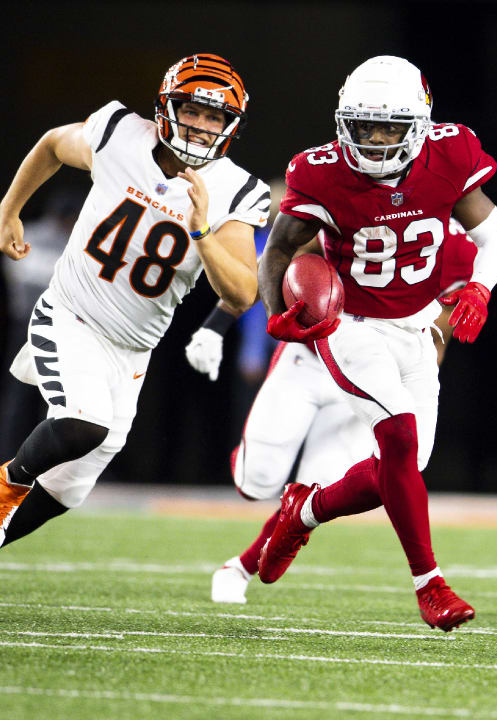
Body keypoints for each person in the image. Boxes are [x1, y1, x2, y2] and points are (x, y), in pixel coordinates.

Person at [0, 53, 268, 619]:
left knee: (70, 488)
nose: (202, 126)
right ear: (166, 109)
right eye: (192, 111)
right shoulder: (119, 132)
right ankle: (7, 483)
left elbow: (244, 291)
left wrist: (201, 228)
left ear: (233, 127)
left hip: (133, 349)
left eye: (214, 117)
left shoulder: (236, 190)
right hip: (72, 313)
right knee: (82, 422)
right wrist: (9, 209)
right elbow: (54, 143)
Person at [254, 56, 497, 631]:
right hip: (350, 323)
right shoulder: (318, 171)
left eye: (388, 127)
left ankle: (306, 509)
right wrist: (277, 315)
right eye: (363, 125)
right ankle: (431, 586)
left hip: (416, 325)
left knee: (402, 469)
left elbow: (494, 239)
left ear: (418, 123)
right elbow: (277, 249)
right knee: (398, 436)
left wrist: (478, 291)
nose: (373, 139)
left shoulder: (452, 152)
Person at [198, 221, 476, 604]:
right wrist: (218, 324)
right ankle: (251, 466)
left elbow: (436, 339)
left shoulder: (457, 245)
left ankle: (240, 567)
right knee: (256, 482)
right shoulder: (362, 207)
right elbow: (274, 260)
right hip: (309, 361)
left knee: (319, 492)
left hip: (369, 379)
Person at [0, 187, 81, 463]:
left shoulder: (76, 239)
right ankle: (5, 459)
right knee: (18, 396)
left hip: (66, 327)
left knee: (61, 398)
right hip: (29, 323)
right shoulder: (33, 234)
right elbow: (24, 274)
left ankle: (49, 463)